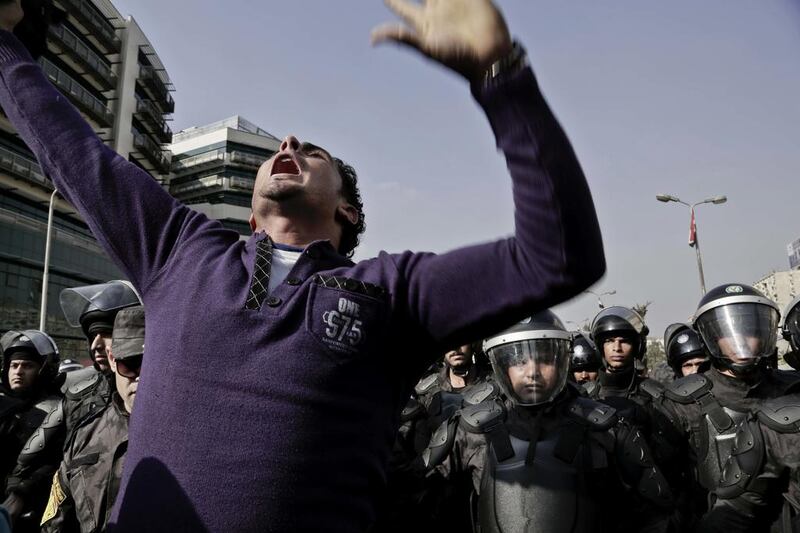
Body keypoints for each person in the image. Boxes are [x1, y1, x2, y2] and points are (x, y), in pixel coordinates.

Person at [0, 0, 605, 530]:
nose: (287, 145)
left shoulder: (393, 289)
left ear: (348, 210)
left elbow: (558, 255)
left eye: (312, 152)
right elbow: (72, 151)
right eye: (278, 150)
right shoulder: (180, 248)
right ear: (253, 217)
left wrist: (500, 75)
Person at [425, 311, 673, 532]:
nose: (532, 371)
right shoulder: (470, 429)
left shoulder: (607, 427)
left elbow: (658, 512)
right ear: (502, 366)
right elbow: (415, 496)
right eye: (520, 361)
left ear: (560, 360)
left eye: (543, 358)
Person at [654, 283, 800, 528]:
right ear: (711, 337)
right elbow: (663, 486)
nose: (740, 340)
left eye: (750, 332)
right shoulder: (682, 402)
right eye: (729, 333)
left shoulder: (792, 388)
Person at [41, 306, 145, 533]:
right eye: (129, 362)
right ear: (112, 359)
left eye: (149, 364)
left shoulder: (192, 439)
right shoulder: (84, 436)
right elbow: (55, 522)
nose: (139, 376)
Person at [0, 330, 61, 532]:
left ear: (44, 370)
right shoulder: (3, 407)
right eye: (14, 365)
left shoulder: (58, 410)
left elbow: (57, 463)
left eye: (27, 366)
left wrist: (23, 492)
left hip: (32, 514)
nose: (18, 371)